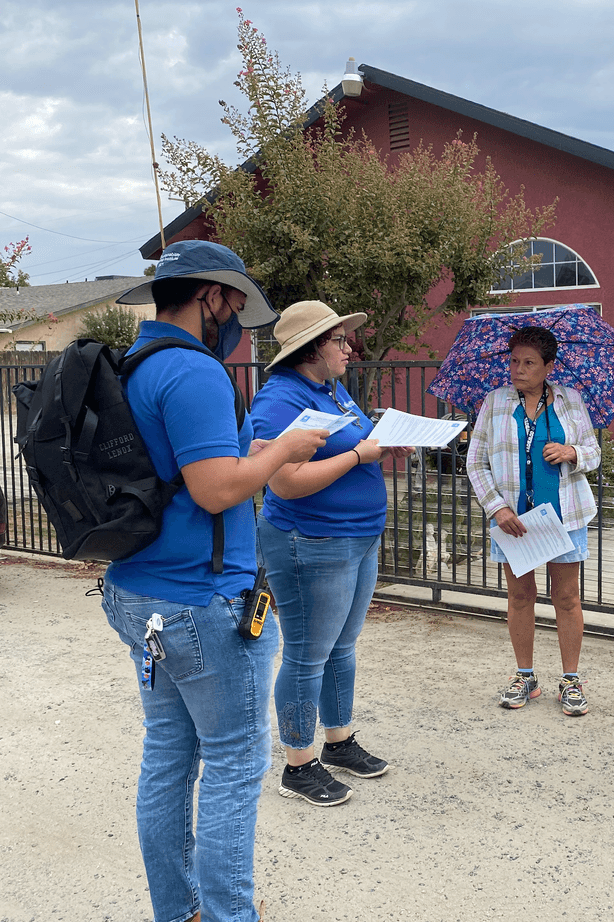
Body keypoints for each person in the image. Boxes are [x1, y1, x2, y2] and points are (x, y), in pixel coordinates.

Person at [101, 240, 329, 922]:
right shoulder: (196, 372)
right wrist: (283, 449)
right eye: (233, 301)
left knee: (169, 756)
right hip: (202, 603)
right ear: (208, 296)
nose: (235, 317)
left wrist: (249, 454)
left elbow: (183, 468)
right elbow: (211, 491)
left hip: (138, 595)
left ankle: (180, 910)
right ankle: (232, 915)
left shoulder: (132, 365)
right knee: (233, 766)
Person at [251, 301, 411, 807]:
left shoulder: (332, 390)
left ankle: (338, 743)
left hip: (359, 537)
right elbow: (285, 482)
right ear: (311, 348)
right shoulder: (279, 400)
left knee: (342, 646)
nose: (349, 347)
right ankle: (298, 766)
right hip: (311, 542)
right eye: (339, 340)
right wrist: (359, 454)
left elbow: (351, 443)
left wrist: (382, 441)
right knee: (306, 653)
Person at [466, 325, 601, 715]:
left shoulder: (570, 401)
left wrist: (572, 451)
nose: (518, 369)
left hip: (564, 515)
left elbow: (592, 452)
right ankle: (525, 676)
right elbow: (475, 461)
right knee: (520, 597)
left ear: (548, 366)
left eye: (528, 363)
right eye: (513, 361)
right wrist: (497, 508)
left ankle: (571, 681)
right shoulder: (494, 402)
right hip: (514, 520)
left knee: (567, 598)